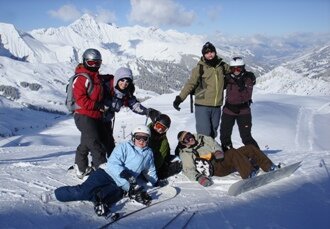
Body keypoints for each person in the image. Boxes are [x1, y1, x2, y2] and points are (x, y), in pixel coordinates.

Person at [44, 125, 160, 217]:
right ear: (133, 137)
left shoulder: (148, 154)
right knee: (83, 192)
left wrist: (155, 182)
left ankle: (100, 205)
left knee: (106, 197)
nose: (141, 140)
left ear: (148, 139)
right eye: (138, 137)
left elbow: (150, 170)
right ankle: (55, 194)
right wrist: (125, 174)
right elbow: (113, 163)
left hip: (121, 185)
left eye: (144, 138)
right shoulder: (124, 147)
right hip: (106, 173)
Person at [176, 131, 278, 187]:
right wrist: (199, 178)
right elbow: (188, 170)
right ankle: (248, 174)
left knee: (249, 148)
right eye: (186, 139)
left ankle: (269, 167)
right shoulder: (186, 153)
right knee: (233, 152)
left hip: (221, 159)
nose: (190, 138)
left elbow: (214, 144)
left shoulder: (202, 138)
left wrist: (218, 151)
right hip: (215, 168)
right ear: (184, 143)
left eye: (189, 135)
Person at [173, 42, 230, 138]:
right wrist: (180, 98)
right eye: (207, 53)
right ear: (203, 55)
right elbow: (190, 84)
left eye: (211, 52)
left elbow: (235, 70)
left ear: (215, 52)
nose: (210, 55)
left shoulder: (222, 65)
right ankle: (203, 152)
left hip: (217, 105)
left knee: (213, 132)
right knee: (204, 133)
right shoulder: (200, 68)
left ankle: (210, 152)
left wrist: (247, 75)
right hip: (202, 105)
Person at [101, 67, 159, 157]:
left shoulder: (126, 92)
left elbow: (134, 105)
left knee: (109, 144)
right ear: (117, 79)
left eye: (127, 81)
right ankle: (84, 166)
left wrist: (147, 111)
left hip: (106, 119)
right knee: (94, 142)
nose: (124, 84)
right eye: (122, 80)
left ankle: (111, 164)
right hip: (95, 118)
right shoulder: (105, 87)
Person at [71, 48, 108, 179]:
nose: (95, 66)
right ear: (85, 62)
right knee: (96, 145)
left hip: (95, 116)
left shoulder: (96, 77)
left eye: (97, 63)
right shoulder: (81, 78)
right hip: (84, 116)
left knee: (87, 143)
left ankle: (80, 168)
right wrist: (97, 106)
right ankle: (102, 174)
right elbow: (80, 100)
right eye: (91, 63)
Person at [220, 57, 259, 151]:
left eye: (238, 68)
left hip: (243, 111)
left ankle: (257, 157)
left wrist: (240, 82)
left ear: (243, 68)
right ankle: (229, 156)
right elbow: (217, 86)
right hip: (228, 111)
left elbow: (247, 96)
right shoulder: (228, 78)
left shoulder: (247, 78)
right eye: (233, 69)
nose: (236, 71)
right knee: (225, 136)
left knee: (246, 137)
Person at [147, 114, 182, 180]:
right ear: (154, 123)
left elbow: (159, 159)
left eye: (163, 129)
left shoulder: (164, 142)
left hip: (154, 164)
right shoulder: (144, 133)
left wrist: (151, 171)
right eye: (159, 126)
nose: (160, 129)